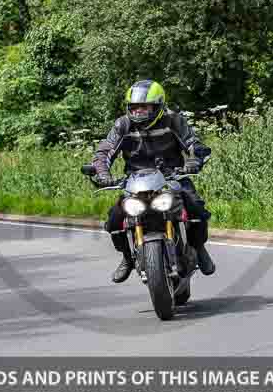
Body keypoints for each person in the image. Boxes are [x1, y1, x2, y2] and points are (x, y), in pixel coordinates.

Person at [91, 79, 215, 283]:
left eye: (144, 107)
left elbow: (195, 145)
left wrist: (193, 161)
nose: (139, 111)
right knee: (114, 219)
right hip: (135, 182)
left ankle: (199, 249)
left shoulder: (174, 120)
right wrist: (102, 174)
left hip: (172, 177)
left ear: (158, 105)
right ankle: (127, 259)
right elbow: (104, 151)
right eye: (135, 107)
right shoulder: (123, 124)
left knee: (197, 210)